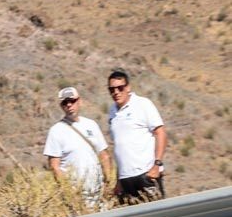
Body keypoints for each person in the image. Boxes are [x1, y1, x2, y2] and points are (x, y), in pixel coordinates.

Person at [43, 87, 112, 209]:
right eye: (65, 102)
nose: (69, 105)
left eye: (72, 101)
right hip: (76, 195)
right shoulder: (56, 131)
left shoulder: (91, 125)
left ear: (79, 101)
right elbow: (54, 166)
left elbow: (104, 155)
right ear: (61, 106)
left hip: (98, 192)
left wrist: (108, 183)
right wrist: (69, 193)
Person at [106, 70, 167, 205]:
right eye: (112, 89)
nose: (116, 92)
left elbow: (160, 133)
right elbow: (119, 148)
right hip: (125, 180)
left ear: (128, 87)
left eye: (120, 88)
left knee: (157, 214)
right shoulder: (112, 112)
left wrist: (157, 165)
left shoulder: (142, 104)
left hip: (146, 174)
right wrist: (118, 180)